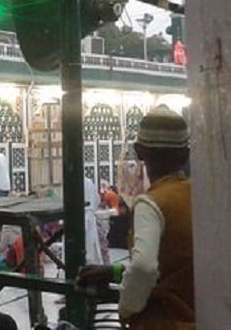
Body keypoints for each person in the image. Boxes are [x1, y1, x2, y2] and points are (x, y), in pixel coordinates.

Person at [77, 105, 194, 329]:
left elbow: (144, 267)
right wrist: (117, 271)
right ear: (186, 154)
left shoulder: (150, 203)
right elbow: (174, 263)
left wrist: (127, 307)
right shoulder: (199, 197)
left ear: (139, 152)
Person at [84, 175, 102, 265]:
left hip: (85, 217)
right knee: (91, 249)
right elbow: (97, 200)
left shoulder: (72, 182)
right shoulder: (89, 182)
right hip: (89, 217)